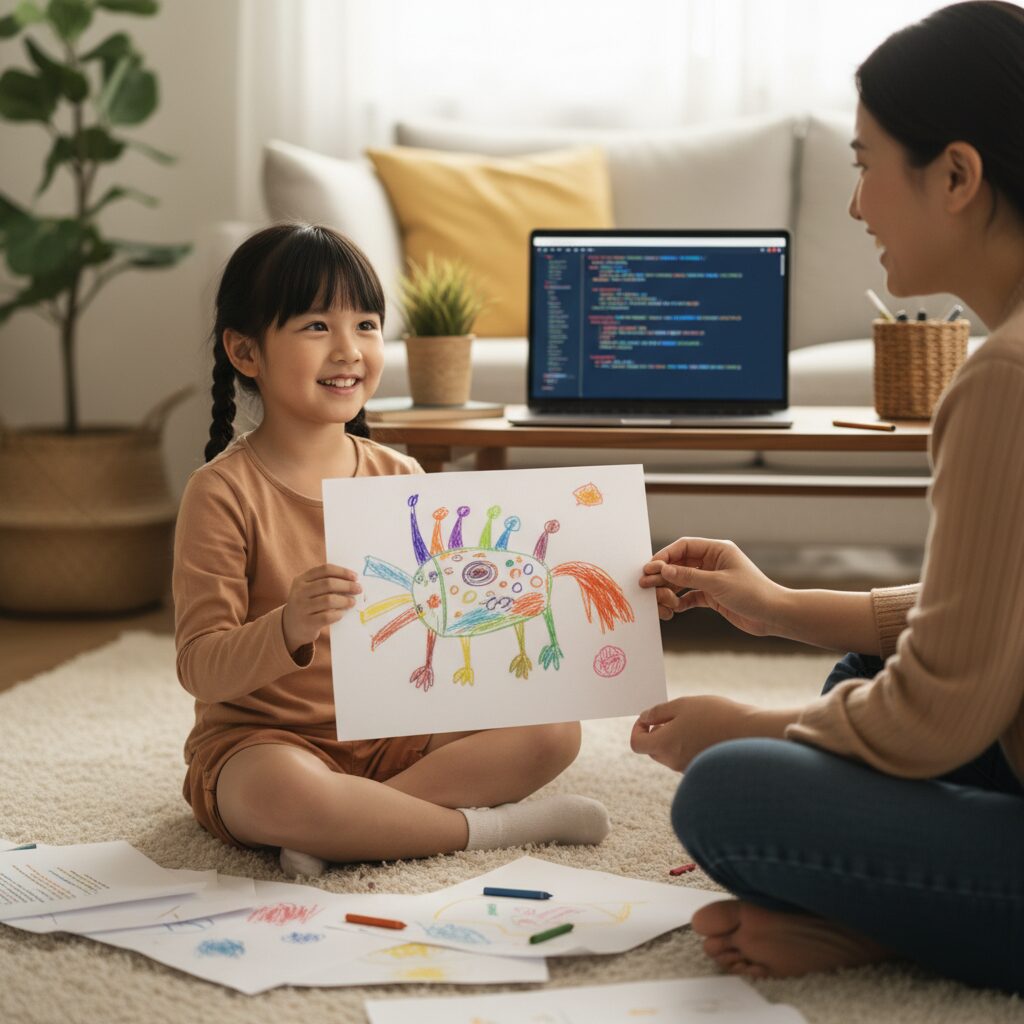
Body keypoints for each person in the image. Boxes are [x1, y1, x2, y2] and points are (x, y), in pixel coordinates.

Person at [631, 0, 1024, 995]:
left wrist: (747, 727)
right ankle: (875, 906)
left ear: (957, 175)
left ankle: (877, 917)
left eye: (864, 163)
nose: (854, 206)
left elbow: (939, 711)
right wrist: (771, 605)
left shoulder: (1003, 378)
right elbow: (984, 618)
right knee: (859, 663)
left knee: (728, 794)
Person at [174, 224, 608, 878]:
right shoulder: (220, 492)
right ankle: (489, 829)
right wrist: (288, 626)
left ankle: (352, 824)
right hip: (265, 743)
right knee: (279, 793)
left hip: (396, 733)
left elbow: (449, 622)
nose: (349, 349)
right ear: (245, 351)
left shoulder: (401, 475)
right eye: (317, 326)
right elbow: (199, 669)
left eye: (368, 325)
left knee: (555, 730)